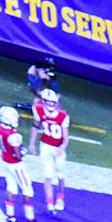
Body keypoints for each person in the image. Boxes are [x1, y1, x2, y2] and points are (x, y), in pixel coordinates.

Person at [0, 105, 40, 222]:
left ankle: (10, 214)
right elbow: (18, 155)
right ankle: (30, 218)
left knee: (11, 188)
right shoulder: (14, 136)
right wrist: (23, 151)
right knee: (28, 190)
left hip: (5, 161)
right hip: (16, 165)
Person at [30, 86, 69, 215]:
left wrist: (62, 147)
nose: (51, 104)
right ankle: (49, 202)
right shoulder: (38, 109)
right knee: (48, 175)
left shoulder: (63, 116)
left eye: (53, 102)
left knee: (60, 174)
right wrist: (32, 144)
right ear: (44, 101)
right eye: (49, 101)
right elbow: (35, 125)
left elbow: (66, 137)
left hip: (58, 146)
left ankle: (60, 197)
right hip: (45, 145)